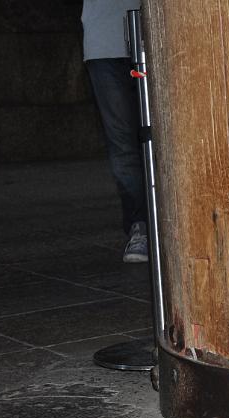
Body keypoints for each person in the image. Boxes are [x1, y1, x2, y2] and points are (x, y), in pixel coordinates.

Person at [82, 0, 149, 262]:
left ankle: (167, 223)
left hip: (158, 35)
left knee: (164, 140)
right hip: (104, 43)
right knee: (123, 145)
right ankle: (140, 225)